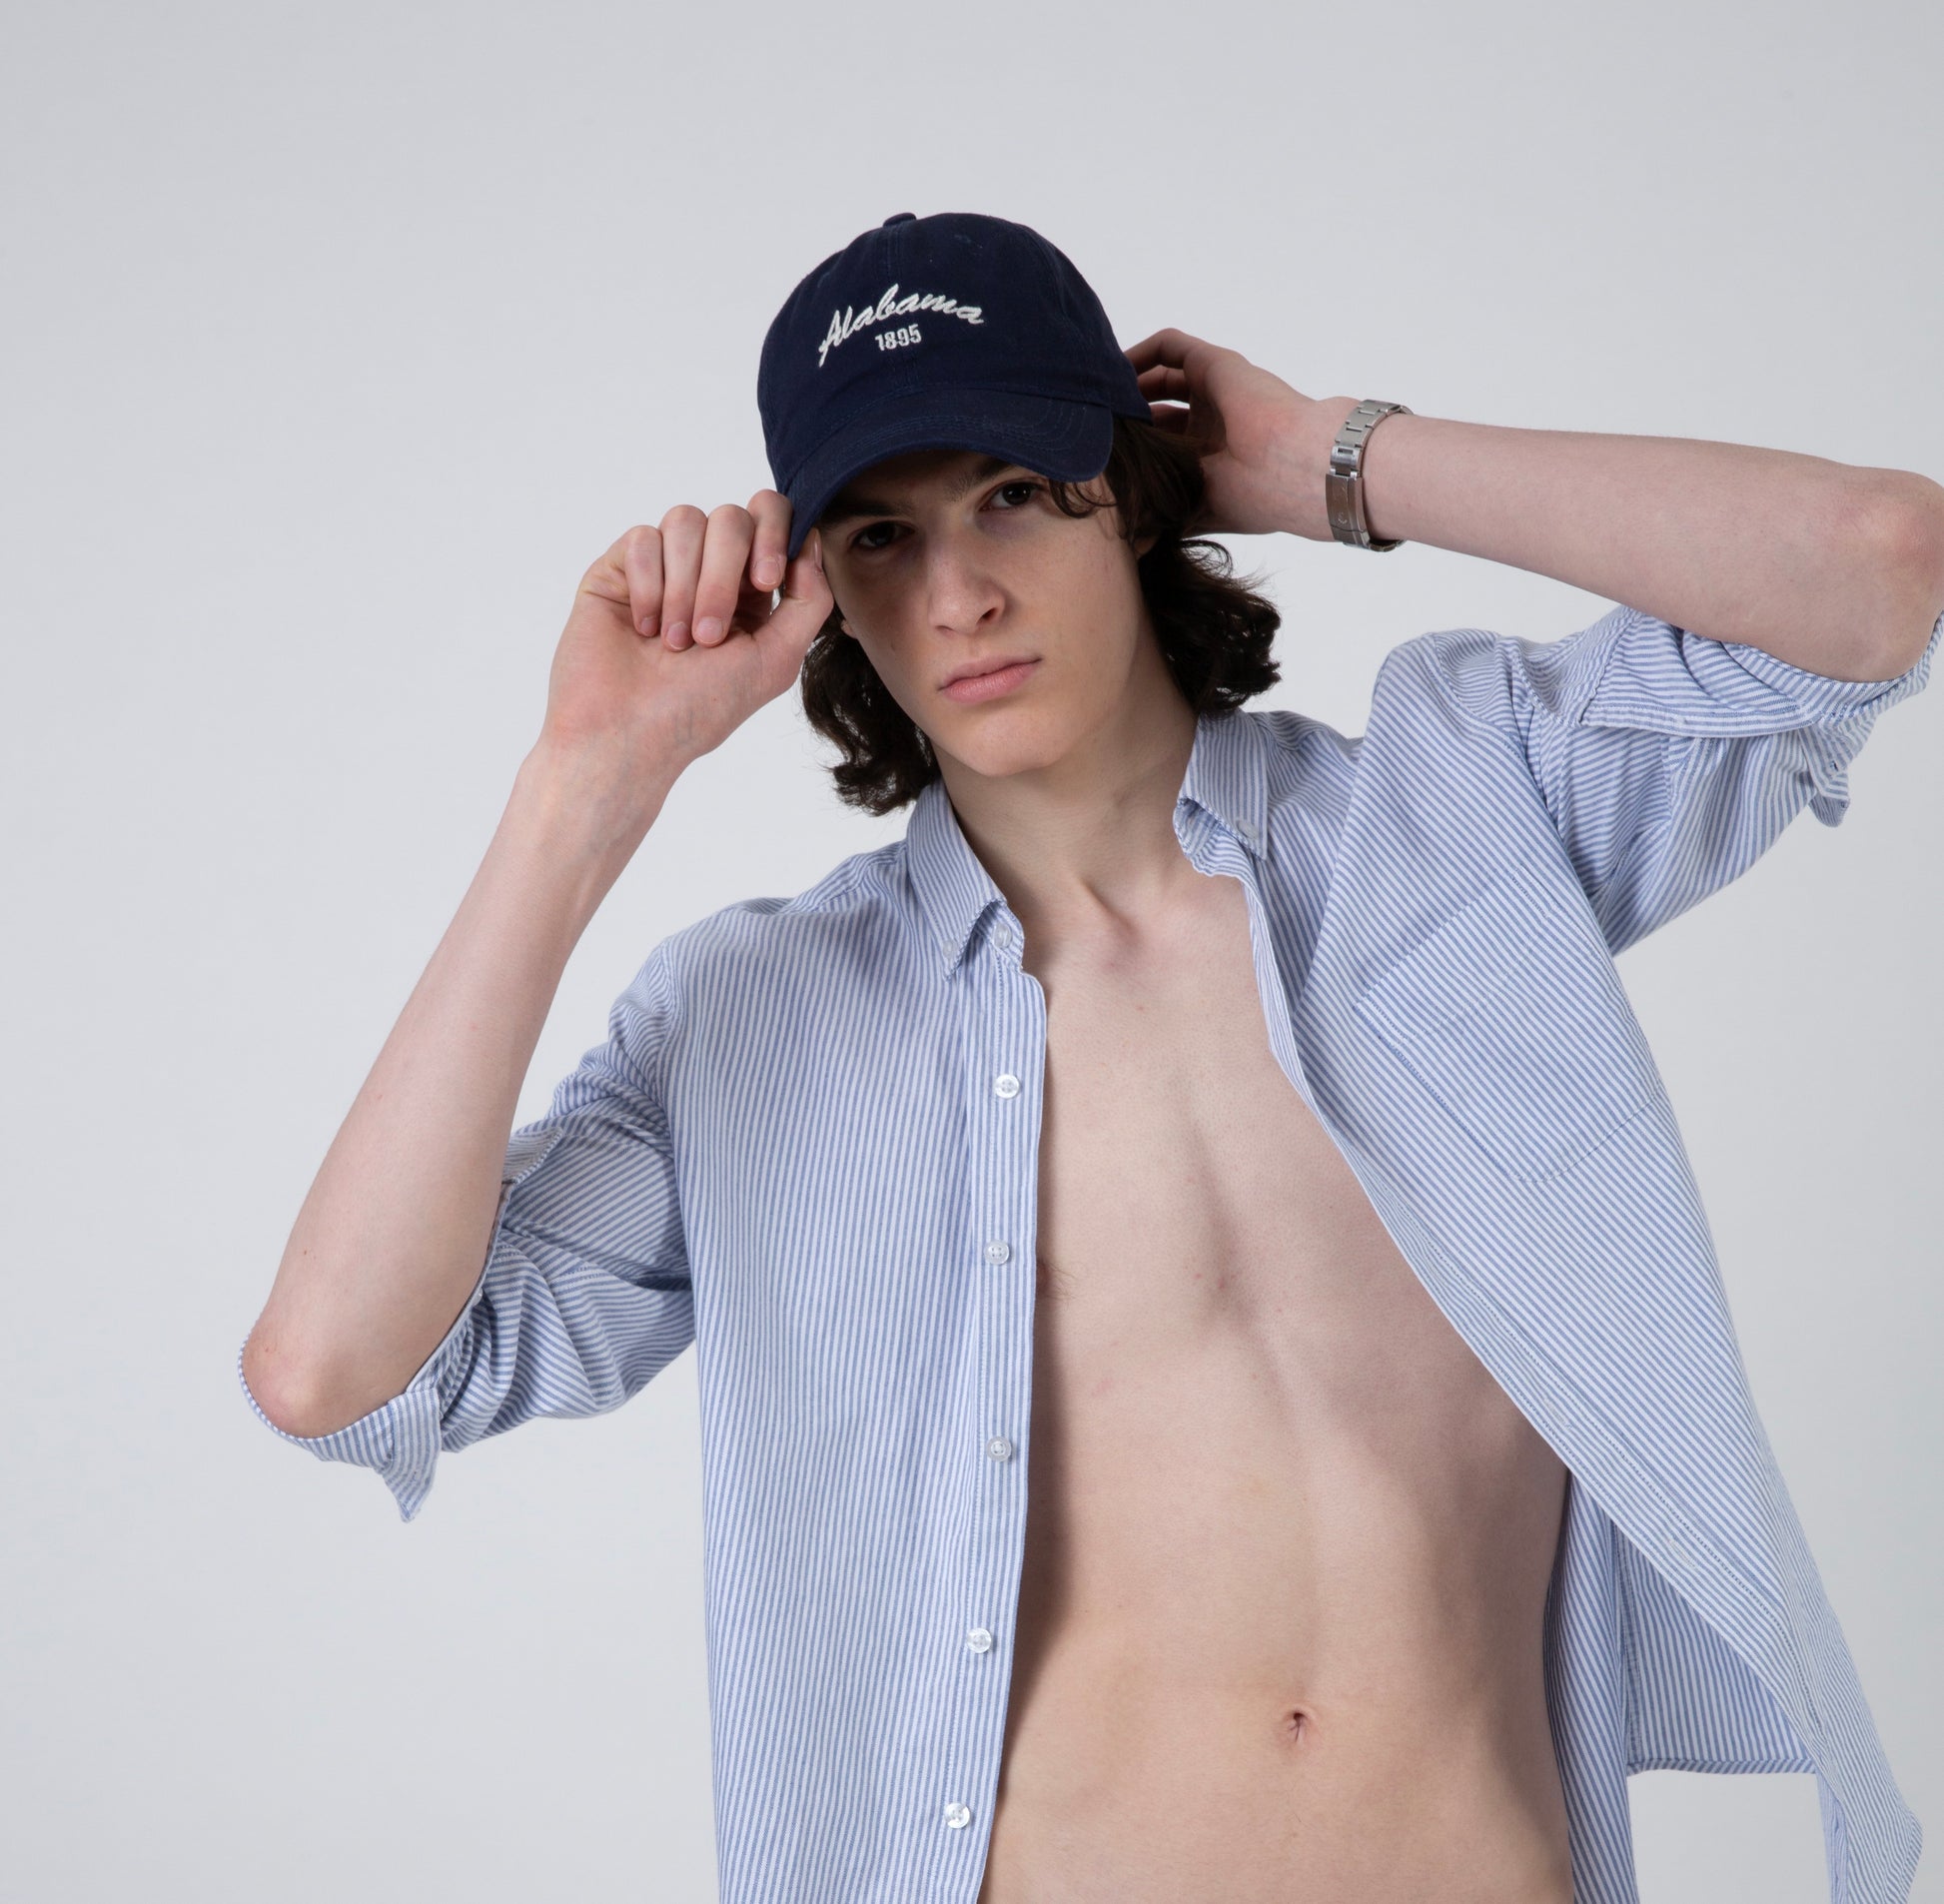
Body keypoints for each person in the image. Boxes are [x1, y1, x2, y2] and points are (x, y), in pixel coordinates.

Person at [238, 211, 1944, 1904]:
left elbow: (1877, 569)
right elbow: (338, 1372)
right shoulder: (754, 1020)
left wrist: (1332, 459)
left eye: (1011, 493)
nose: (961, 593)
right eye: (883, 535)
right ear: (820, 587)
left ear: (1128, 492)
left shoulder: (1459, 816)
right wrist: (583, 782)